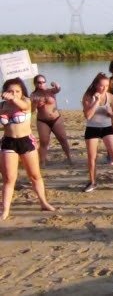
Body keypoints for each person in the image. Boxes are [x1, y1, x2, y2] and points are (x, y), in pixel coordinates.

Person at [0, 78, 55, 220]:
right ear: (4, 92)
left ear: (22, 92)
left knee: (35, 176)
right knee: (9, 178)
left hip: (26, 141)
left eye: (17, 91)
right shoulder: (2, 106)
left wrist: (14, 98)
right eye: (10, 91)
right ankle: (5, 209)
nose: (14, 93)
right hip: (9, 142)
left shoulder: (26, 101)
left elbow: (23, 107)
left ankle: (43, 202)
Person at [30, 74, 73, 166]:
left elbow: (58, 89)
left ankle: (69, 158)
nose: (41, 84)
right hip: (42, 120)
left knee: (62, 138)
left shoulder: (51, 91)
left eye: (43, 82)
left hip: (56, 118)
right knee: (44, 141)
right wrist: (35, 104)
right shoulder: (34, 95)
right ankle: (43, 161)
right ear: (35, 84)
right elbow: (32, 110)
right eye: (39, 82)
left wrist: (56, 84)